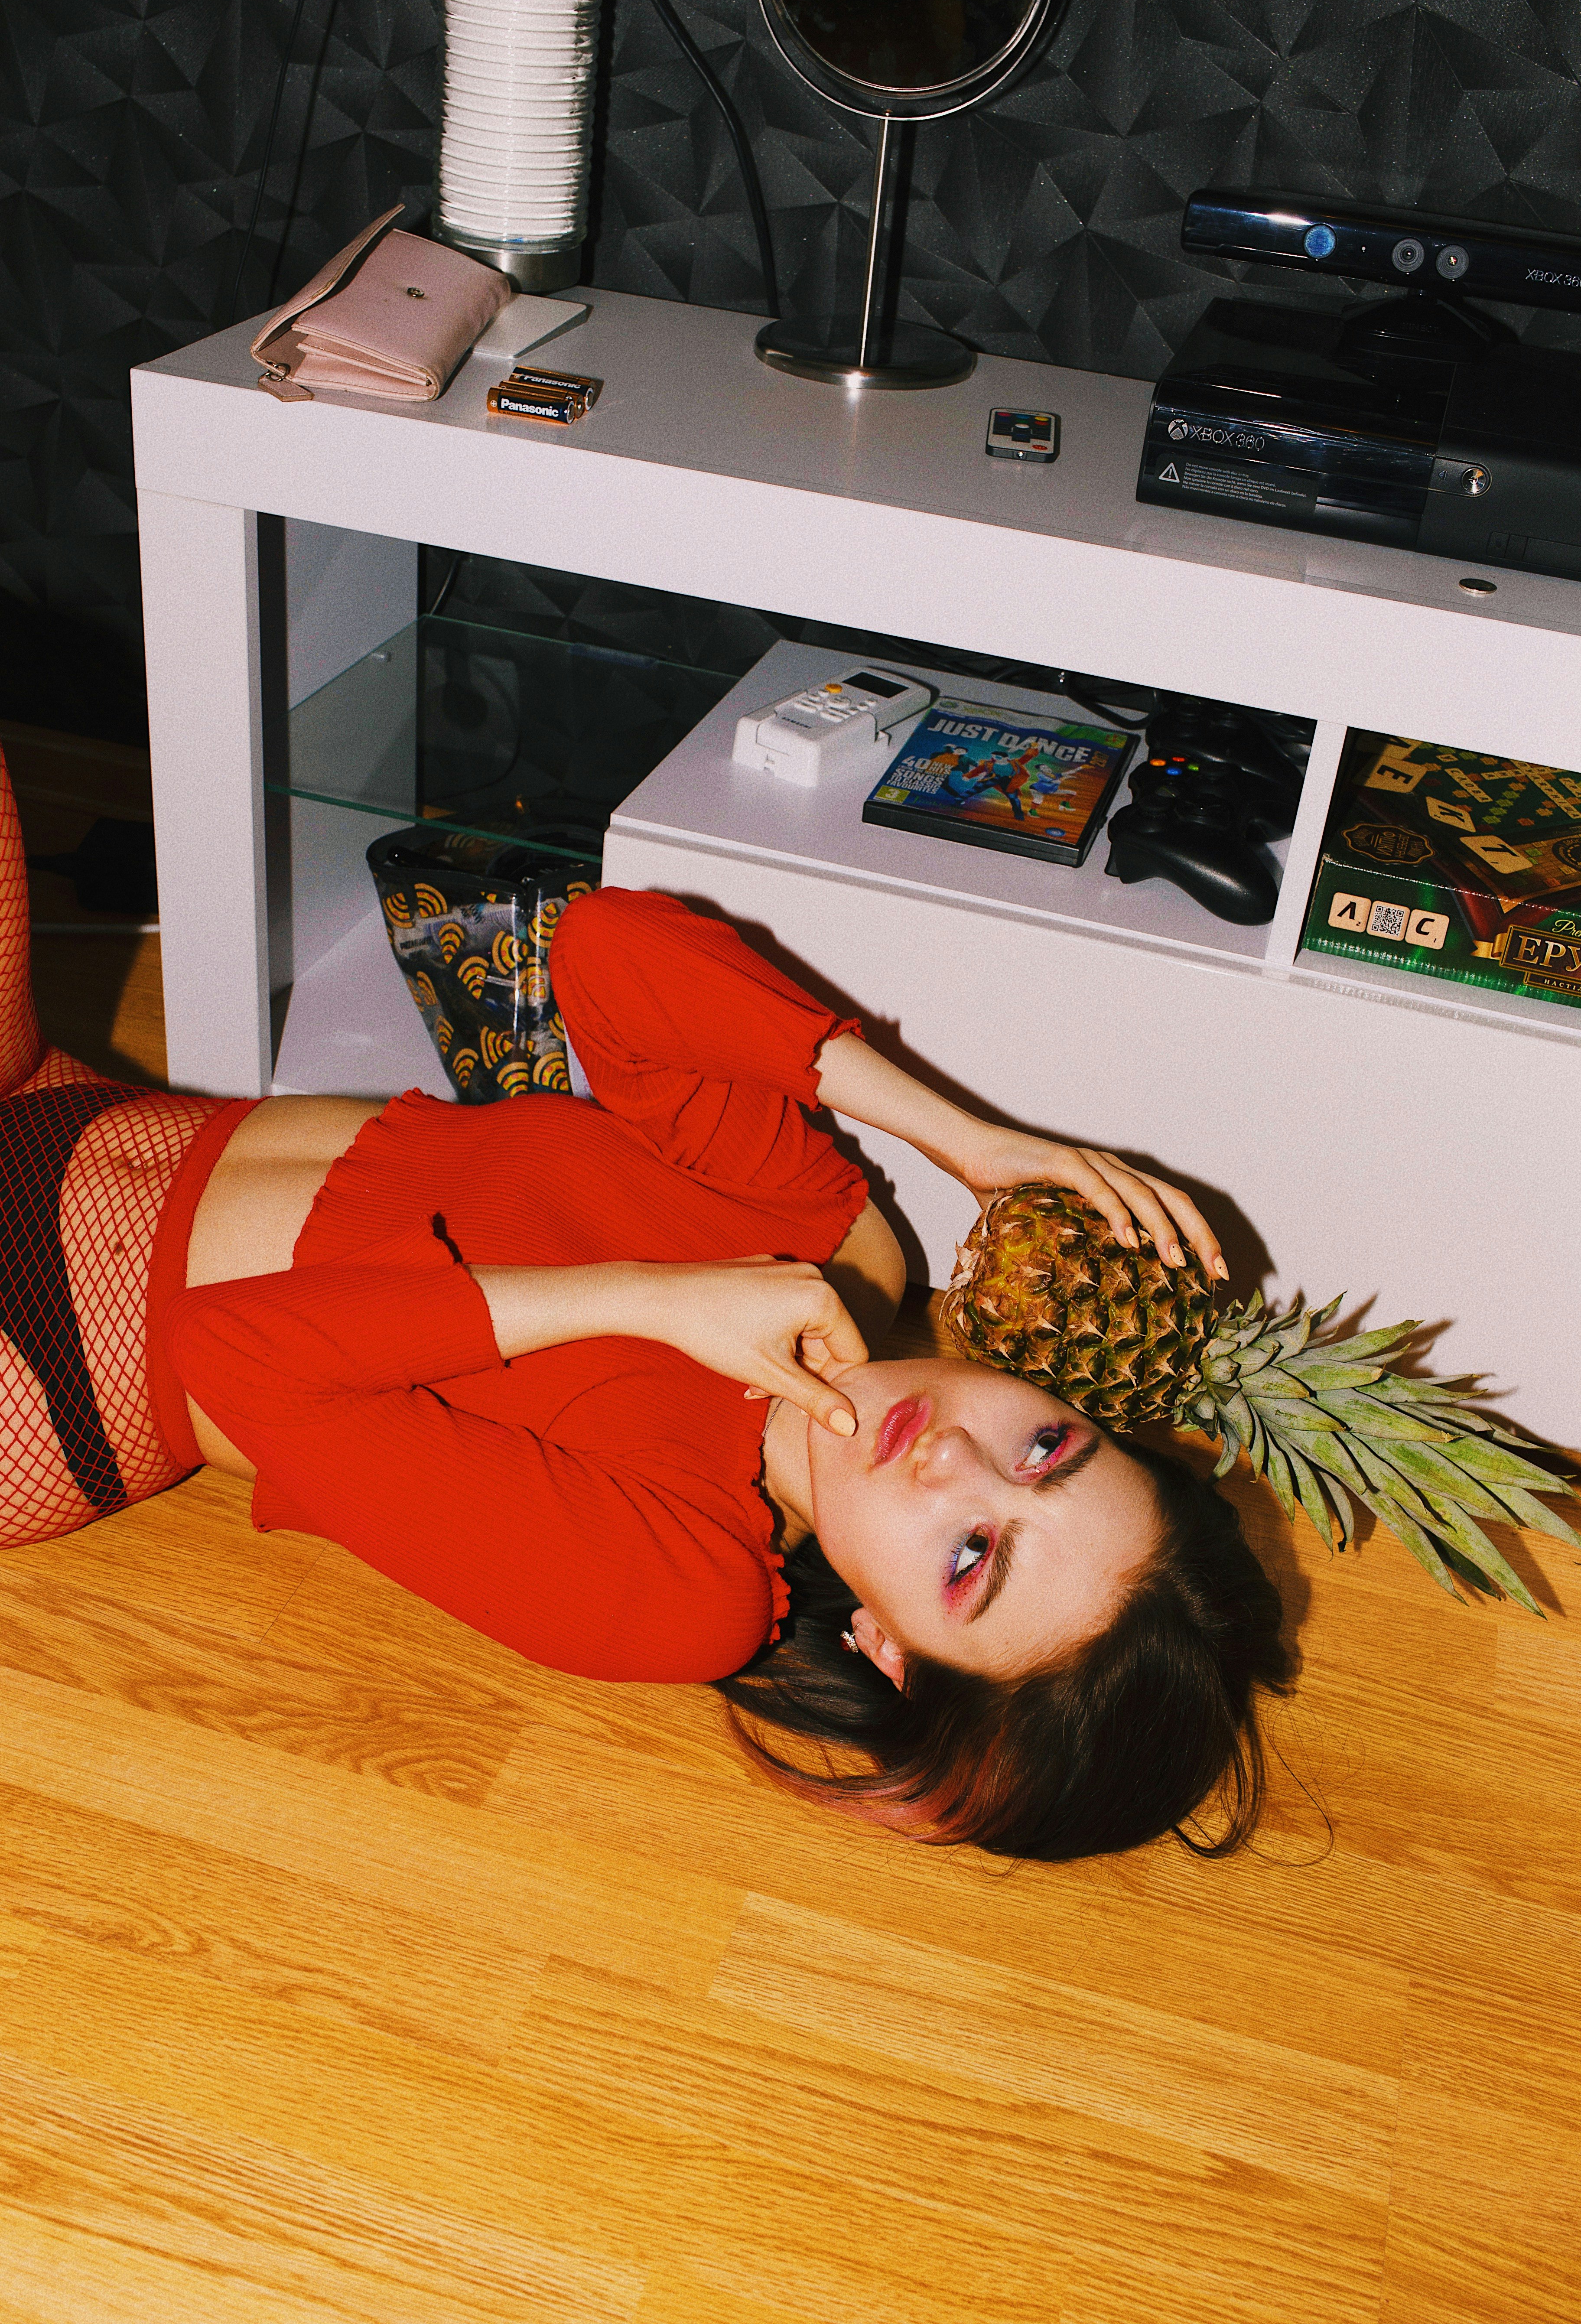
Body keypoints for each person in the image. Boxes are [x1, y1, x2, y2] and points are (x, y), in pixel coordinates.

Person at [0, 742, 1291, 1860]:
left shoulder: (689, 1586)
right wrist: (965, 1139)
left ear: (891, 1650)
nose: (961, 1460)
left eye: (971, 1559)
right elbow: (612, 953)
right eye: (1047, 1451)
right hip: (59, 1098)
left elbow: (227, 1355)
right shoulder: (843, 1250)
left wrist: (644, 1300)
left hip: (41, 1361)